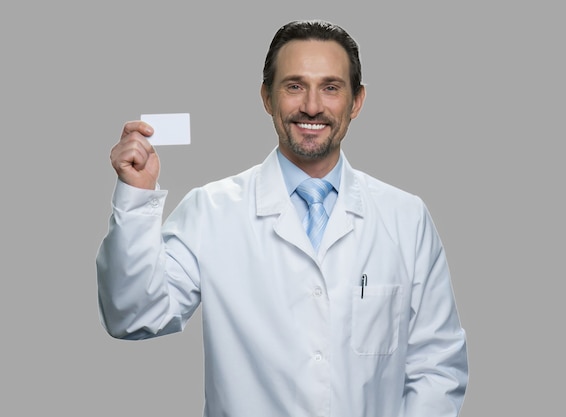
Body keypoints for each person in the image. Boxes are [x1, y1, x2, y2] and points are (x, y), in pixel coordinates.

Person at [96, 19, 468, 417]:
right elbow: (132, 316)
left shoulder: (405, 218)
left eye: (330, 87)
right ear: (267, 98)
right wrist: (137, 195)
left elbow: (438, 366)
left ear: (357, 101)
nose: (311, 105)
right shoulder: (211, 210)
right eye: (294, 86)